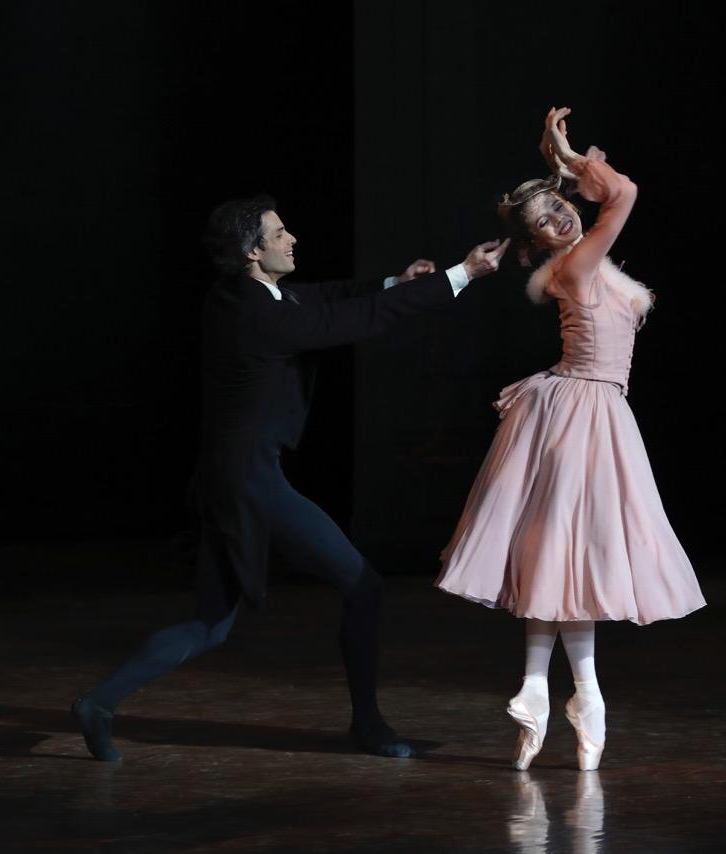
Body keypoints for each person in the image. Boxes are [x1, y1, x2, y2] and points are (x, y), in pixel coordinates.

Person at [73, 194, 509, 760]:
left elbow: (322, 298)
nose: (292, 239)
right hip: (250, 479)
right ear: (254, 251)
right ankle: (369, 725)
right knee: (363, 585)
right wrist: (463, 274)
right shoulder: (259, 315)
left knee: (211, 623)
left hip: (229, 475)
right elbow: (346, 320)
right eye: (279, 234)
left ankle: (98, 703)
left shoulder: (241, 294)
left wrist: (394, 279)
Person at [436, 108, 705, 771]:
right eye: (543, 224)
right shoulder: (577, 264)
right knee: (570, 550)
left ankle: (544, 688)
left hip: (587, 407)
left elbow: (611, 196)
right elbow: (627, 194)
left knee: (565, 555)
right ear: (535, 243)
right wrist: (567, 156)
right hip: (583, 410)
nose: (560, 221)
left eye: (559, 209)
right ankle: (579, 696)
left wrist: (568, 171)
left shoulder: (585, 261)